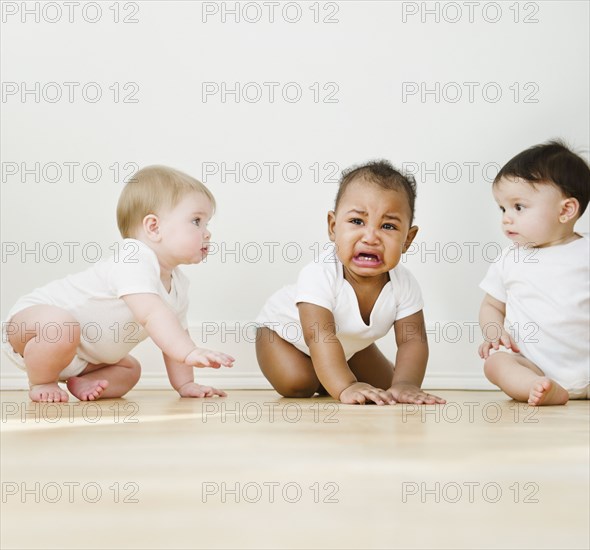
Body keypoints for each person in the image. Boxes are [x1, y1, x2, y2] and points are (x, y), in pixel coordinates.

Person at [2, 165, 234, 402]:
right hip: (33, 327)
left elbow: (174, 334)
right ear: (154, 227)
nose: (207, 233)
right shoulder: (133, 258)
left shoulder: (178, 285)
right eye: (196, 221)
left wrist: (186, 383)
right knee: (61, 327)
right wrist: (189, 352)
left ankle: (82, 383)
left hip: (82, 359)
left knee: (130, 370)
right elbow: (152, 315)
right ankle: (42, 381)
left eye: (207, 224)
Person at [255, 160, 446, 405]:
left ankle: (334, 371)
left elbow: (413, 340)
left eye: (388, 226)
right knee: (300, 383)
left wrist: (406, 384)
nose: (371, 237)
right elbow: (319, 335)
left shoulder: (404, 283)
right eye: (357, 221)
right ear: (333, 227)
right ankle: (331, 375)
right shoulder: (319, 273)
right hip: (283, 335)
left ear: (407, 240)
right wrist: (347, 386)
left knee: (388, 387)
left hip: (347, 343)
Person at [478, 140, 590, 405]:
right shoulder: (509, 259)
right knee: (495, 364)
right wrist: (494, 332)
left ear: (566, 210)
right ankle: (537, 387)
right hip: (533, 365)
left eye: (518, 207)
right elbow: (491, 305)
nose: (506, 218)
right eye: (502, 208)